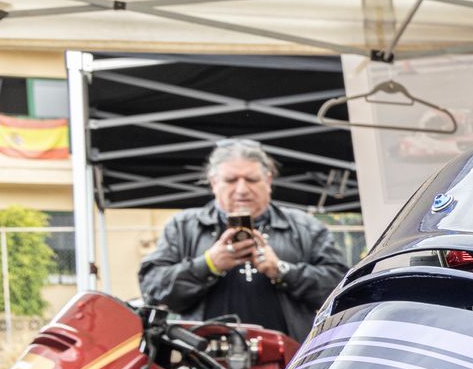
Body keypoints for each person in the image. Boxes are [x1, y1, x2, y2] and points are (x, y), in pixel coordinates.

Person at [138, 139, 347, 342]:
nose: (242, 190)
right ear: (213, 184)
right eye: (230, 180)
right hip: (206, 364)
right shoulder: (183, 226)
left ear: (269, 181)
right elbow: (153, 290)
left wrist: (283, 271)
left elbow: (341, 288)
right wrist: (209, 264)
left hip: (289, 365)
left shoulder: (305, 227)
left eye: (252, 180)